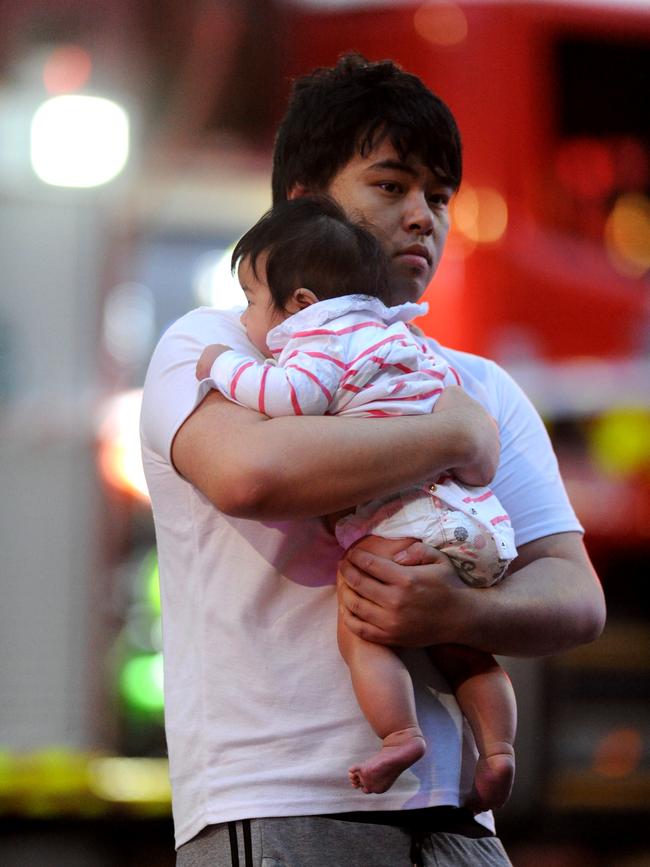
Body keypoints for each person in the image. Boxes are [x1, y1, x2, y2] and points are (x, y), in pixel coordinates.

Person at [140, 54, 606, 866]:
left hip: (462, 814)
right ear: (303, 204)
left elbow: (575, 594)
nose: (424, 216)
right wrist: (453, 437)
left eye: (439, 195)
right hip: (280, 795)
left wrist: (459, 615)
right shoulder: (214, 343)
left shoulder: (477, 381)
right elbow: (250, 474)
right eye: (391, 187)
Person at [195, 194, 518, 808]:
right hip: (474, 523)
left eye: (252, 303)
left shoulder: (318, 336)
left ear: (301, 304)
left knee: (363, 629)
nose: (244, 321)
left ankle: (399, 734)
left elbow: (293, 395)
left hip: (405, 521)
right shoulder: (401, 337)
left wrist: (224, 367)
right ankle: (499, 749)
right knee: (462, 644)